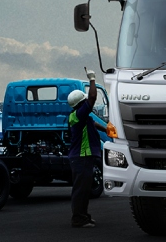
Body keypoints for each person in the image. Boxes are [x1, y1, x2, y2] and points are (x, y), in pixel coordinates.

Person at [68, 68, 107, 228]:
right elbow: (92, 97)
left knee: (85, 190)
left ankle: (84, 216)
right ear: (81, 104)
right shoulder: (79, 114)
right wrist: (92, 79)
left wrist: (108, 129)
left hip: (84, 157)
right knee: (80, 190)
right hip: (81, 157)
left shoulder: (81, 116)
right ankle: (78, 219)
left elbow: (94, 123)